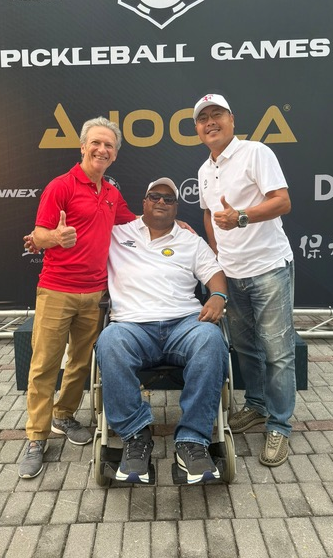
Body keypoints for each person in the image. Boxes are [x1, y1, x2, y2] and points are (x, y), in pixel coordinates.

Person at [18, 116, 136, 479]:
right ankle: (36, 437)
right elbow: (37, 235)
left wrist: (172, 224)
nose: (102, 150)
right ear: (83, 147)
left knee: (81, 364)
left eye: (109, 146)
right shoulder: (61, 186)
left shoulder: (112, 193)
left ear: (115, 154)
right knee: (44, 367)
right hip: (57, 290)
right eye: (96, 143)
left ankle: (64, 416)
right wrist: (55, 238)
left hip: (96, 294)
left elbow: (132, 223)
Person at [95, 178, 229, 485]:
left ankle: (192, 441)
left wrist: (219, 296)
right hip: (131, 325)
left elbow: (215, 274)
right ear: (143, 202)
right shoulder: (117, 233)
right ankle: (135, 437)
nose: (161, 202)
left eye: (169, 200)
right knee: (109, 341)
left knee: (210, 339)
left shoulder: (190, 240)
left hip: (183, 324)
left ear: (176, 208)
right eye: (154, 196)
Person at [193, 93, 296, 468]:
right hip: (232, 274)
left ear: (232, 119)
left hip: (268, 267)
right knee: (246, 347)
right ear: (198, 129)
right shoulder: (205, 170)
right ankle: (256, 405)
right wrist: (216, 251)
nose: (210, 122)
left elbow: (282, 201)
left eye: (216, 114)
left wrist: (241, 217)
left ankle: (280, 425)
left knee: (277, 351)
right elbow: (208, 214)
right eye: (202, 119)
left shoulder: (256, 152)